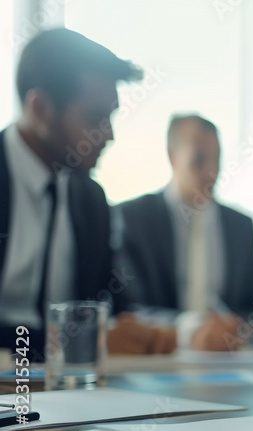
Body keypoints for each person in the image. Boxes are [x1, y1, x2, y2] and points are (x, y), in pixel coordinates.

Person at [0, 28, 175, 359]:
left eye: (111, 117)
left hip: (70, 394)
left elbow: (113, 306)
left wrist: (163, 332)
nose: (109, 135)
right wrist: (70, 342)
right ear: (39, 108)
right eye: (95, 117)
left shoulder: (91, 199)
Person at [116, 115, 253, 352]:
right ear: (172, 156)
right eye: (199, 160)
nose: (212, 172)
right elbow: (128, 307)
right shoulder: (133, 219)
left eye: (217, 159)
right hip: (160, 357)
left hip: (229, 357)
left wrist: (235, 329)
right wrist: (190, 330)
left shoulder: (242, 226)